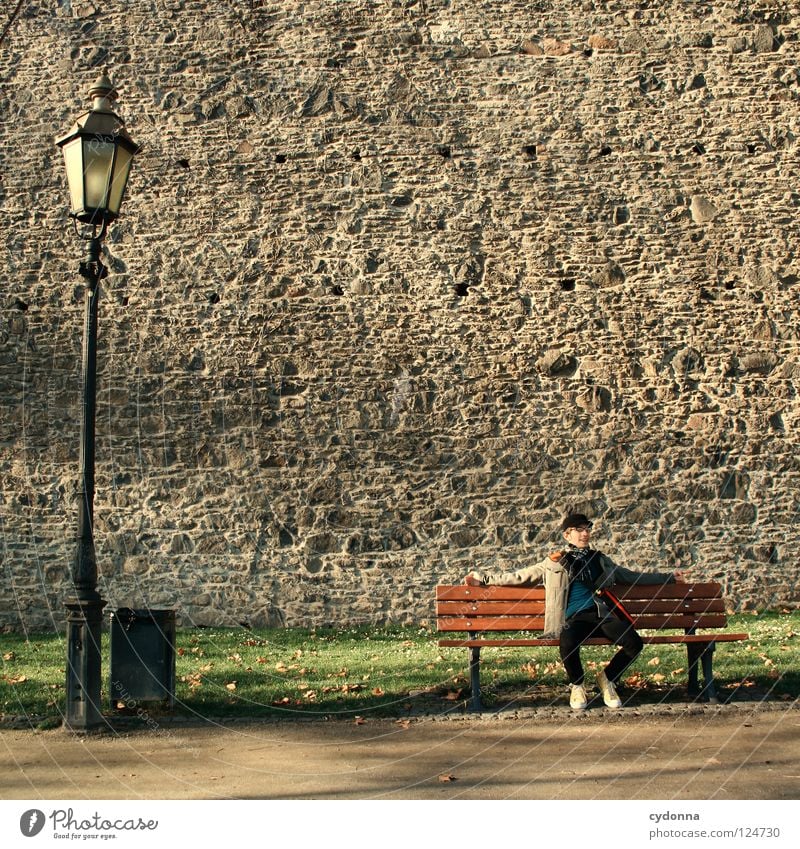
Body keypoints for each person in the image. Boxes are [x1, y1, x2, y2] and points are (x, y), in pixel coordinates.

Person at [464, 513, 685, 710]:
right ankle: (577, 684)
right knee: (567, 642)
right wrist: (483, 579)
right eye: (579, 530)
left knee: (633, 642)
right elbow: (519, 576)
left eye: (587, 528)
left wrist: (668, 578)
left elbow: (631, 576)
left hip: (600, 614)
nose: (585, 533)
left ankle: (607, 679)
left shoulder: (599, 560)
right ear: (567, 535)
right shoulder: (554, 563)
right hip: (573, 619)